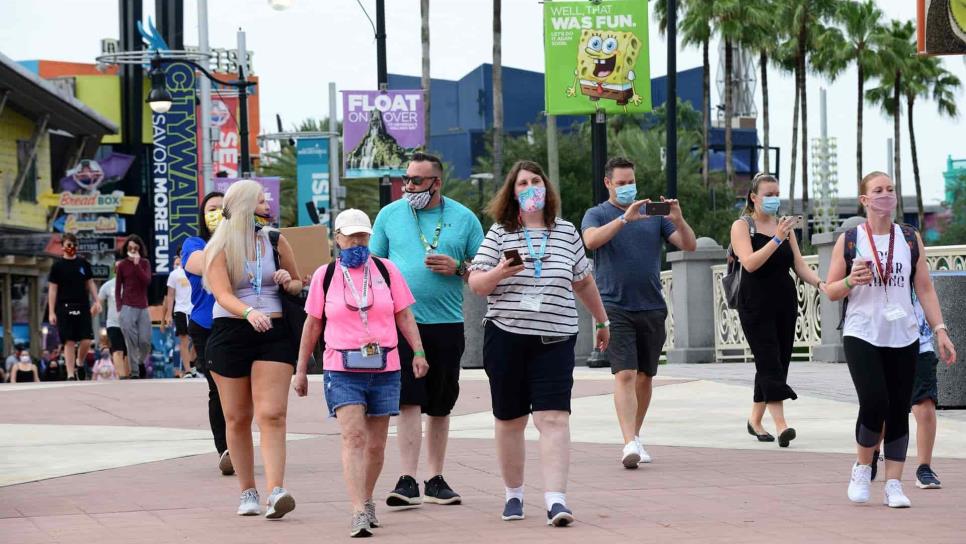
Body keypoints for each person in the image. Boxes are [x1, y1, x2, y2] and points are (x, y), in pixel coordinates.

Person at [468, 160, 610, 526]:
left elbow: (582, 281)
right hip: (507, 337)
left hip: (555, 338)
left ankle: (556, 500)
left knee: (553, 418)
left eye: (535, 181)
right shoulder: (500, 232)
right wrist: (501, 270)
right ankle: (513, 494)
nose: (530, 187)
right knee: (510, 420)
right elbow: (478, 284)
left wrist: (602, 319)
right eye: (522, 183)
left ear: (546, 187)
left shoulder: (566, 233)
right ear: (511, 193)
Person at [295, 209, 429, 538]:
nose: (357, 242)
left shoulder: (386, 270)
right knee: (353, 436)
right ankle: (357, 510)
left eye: (363, 236)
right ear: (337, 238)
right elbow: (312, 325)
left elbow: (404, 314)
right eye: (350, 236)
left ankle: (367, 498)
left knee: (376, 445)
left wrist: (419, 351)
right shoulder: (325, 276)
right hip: (341, 366)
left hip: (385, 365)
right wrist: (300, 369)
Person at [825, 171, 956, 508]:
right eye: (878, 190)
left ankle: (894, 485)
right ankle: (862, 466)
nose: (886, 195)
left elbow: (924, 288)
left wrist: (940, 329)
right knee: (874, 400)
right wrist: (851, 281)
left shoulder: (910, 238)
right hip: (862, 332)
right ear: (865, 200)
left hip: (904, 335)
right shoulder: (851, 239)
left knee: (899, 408)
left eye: (890, 190)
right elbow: (830, 290)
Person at [370, 152, 484, 508]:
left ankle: (435, 478)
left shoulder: (464, 218)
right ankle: (406, 480)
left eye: (417, 181)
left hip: (447, 324)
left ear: (437, 182)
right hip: (401, 324)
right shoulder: (390, 215)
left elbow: (483, 274)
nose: (408, 187)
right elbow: (373, 268)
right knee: (408, 401)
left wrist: (458, 266)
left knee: (440, 404)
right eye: (406, 179)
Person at [581, 157, 697, 467]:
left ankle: (636, 435)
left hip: (652, 305)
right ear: (608, 183)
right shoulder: (597, 213)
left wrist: (679, 218)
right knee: (626, 373)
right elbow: (590, 241)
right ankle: (628, 442)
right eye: (620, 183)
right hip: (614, 305)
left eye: (630, 181)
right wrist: (623, 220)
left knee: (645, 377)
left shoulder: (652, 213)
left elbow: (689, 245)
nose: (627, 187)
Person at [203, 179, 302, 518]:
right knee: (237, 416)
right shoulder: (218, 248)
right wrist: (248, 312)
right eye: (260, 202)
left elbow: (299, 281)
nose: (266, 207)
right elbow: (221, 293)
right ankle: (247, 491)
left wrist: (288, 281)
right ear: (245, 206)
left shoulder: (275, 239)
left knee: (272, 413)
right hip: (232, 330)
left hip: (274, 330)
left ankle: (277, 490)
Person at [727, 173, 825, 448]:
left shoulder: (785, 227)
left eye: (776, 193)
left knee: (777, 362)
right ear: (754, 197)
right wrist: (775, 239)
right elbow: (750, 263)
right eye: (768, 194)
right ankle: (782, 426)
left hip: (784, 301)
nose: (773, 199)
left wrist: (821, 283)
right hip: (754, 303)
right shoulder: (742, 226)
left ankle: (755, 421)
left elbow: (799, 264)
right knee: (769, 360)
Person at [184, 191, 232, 475]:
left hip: (237, 323)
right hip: (206, 326)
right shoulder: (194, 244)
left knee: (241, 392)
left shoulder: (244, 241)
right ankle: (224, 449)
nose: (216, 213)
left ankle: (238, 443)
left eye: (222, 208)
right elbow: (199, 264)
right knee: (218, 389)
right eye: (211, 209)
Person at [47, 233, 102, 380]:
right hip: (64, 306)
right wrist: (51, 312)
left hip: (83, 304)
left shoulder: (83, 264)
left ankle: (80, 362)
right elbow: (52, 289)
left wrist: (97, 301)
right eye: (68, 245)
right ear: (63, 247)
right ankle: (71, 374)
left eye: (73, 245)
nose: (71, 248)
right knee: (69, 341)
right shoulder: (57, 266)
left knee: (86, 340)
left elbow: (90, 283)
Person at [115, 234, 151, 379]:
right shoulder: (122, 265)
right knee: (131, 341)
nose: (133, 250)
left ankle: (140, 361)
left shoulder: (144, 263)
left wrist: (137, 265)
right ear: (126, 248)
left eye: (135, 248)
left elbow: (146, 281)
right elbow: (118, 288)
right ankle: (135, 372)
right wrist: (119, 308)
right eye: (130, 248)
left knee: (144, 340)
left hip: (142, 306)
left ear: (140, 249)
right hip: (127, 306)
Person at [163, 252, 197, 378]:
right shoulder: (174, 274)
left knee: (197, 340)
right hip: (180, 310)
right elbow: (170, 296)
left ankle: (192, 362)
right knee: (184, 339)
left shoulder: (196, 270)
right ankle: (188, 370)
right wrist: (168, 314)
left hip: (195, 309)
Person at [99, 262, 129, 379]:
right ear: (114, 270)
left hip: (129, 323)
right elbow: (99, 301)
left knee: (128, 353)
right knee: (117, 351)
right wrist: (96, 308)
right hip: (113, 323)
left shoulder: (131, 285)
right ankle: (122, 377)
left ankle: (128, 375)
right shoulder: (107, 286)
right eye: (117, 268)